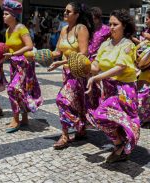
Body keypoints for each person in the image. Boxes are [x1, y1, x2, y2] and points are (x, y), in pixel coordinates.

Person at [85, 9, 140, 163]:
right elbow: (96, 65)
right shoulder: (105, 44)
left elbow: (120, 67)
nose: (111, 27)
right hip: (109, 89)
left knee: (100, 115)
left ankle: (121, 145)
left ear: (124, 26)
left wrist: (96, 77)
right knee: (112, 121)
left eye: (115, 24)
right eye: (110, 24)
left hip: (124, 90)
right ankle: (121, 145)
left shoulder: (128, 45)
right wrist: (85, 66)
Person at [48, 2, 95, 149]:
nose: (65, 13)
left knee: (62, 100)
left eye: (68, 11)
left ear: (77, 14)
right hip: (66, 73)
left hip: (78, 73)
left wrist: (61, 62)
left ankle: (64, 135)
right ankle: (81, 130)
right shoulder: (63, 30)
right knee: (77, 103)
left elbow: (84, 53)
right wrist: (42, 55)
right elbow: (57, 51)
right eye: (64, 11)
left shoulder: (81, 29)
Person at [2, 0, 43, 133]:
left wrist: (14, 53)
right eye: (3, 14)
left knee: (13, 89)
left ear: (13, 16)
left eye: (6, 14)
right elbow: (7, 48)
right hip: (14, 65)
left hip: (25, 64)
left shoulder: (21, 28)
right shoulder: (8, 30)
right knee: (21, 90)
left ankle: (16, 119)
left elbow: (29, 46)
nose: (3, 16)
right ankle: (24, 117)